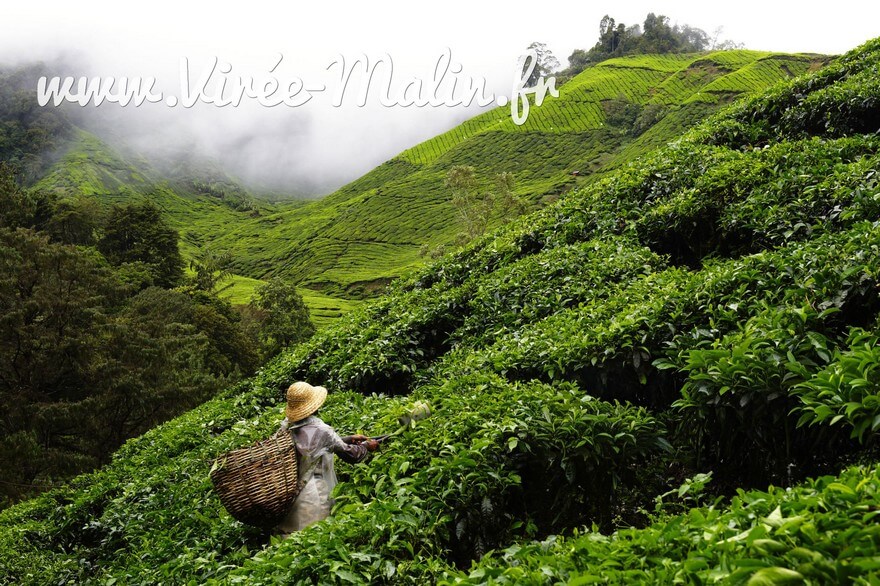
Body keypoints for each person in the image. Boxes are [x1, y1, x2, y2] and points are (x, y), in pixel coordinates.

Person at [275, 381, 378, 535]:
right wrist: (366, 447)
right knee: (314, 539)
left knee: (289, 542)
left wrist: (348, 438)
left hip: (289, 498)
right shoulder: (322, 430)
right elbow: (351, 455)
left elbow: (312, 447)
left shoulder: (285, 429)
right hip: (313, 497)